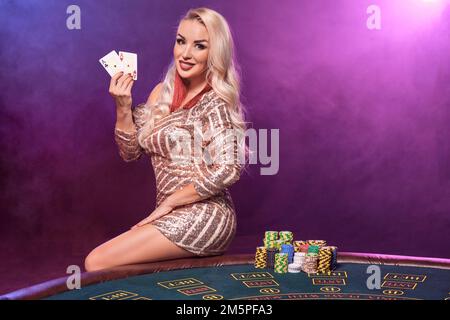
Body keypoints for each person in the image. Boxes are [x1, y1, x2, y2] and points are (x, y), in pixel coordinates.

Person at [84, 7, 248, 272]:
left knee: (97, 262)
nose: (185, 54)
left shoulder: (214, 102)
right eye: (181, 41)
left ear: (215, 53)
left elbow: (229, 168)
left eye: (199, 46)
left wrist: (171, 202)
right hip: (172, 213)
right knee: (126, 271)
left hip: (206, 215)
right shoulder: (161, 93)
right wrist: (123, 107)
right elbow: (130, 152)